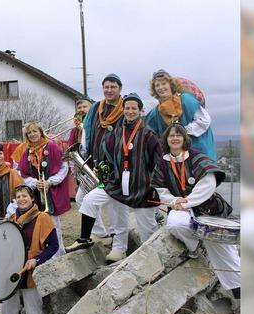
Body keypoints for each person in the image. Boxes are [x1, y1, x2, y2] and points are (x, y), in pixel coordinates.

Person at [66, 93, 161, 261]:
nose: (130, 111)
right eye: (127, 108)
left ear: (140, 110)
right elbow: (106, 156)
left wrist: (155, 184)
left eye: (134, 108)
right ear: (123, 109)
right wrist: (101, 170)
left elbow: (159, 162)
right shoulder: (116, 132)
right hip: (116, 183)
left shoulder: (149, 134)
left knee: (147, 231)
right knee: (89, 200)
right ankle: (91, 240)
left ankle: (152, 262)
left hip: (141, 187)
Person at [151, 123, 240, 297]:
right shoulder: (162, 163)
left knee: (219, 243)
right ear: (166, 140)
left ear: (185, 139)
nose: (175, 138)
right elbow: (160, 189)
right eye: (171, 136)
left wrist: (187, 202)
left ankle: (239, 285)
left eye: (178, 135)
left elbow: (208, 183)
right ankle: (194, 246)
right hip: (180, 206)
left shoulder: (196, 157)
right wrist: (175, 201)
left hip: (207, 207)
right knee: (175, 224)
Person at [0, 185, 59, 314]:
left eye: (24, 196)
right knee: (6, 305)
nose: (21, 199)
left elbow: (53, 246)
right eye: (18, 197)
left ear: (32, 198)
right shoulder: (11, 219)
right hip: (12, 271)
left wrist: (37, 259)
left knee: (33, 308)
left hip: (31, 271)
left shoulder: (42, 218)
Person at [79, 74, 126, 242]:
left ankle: (115, 235)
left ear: (120, 88)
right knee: (81, 198)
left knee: (114, 202)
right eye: (106, 87)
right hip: (94, 162)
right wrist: (85, 155)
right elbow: (87, 129)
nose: (109, 90)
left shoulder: (125, 108)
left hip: (115, 165)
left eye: (113, 87)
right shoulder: (97, 107)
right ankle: (99, 232)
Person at [16, 121, 71, 257]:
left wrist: (49, 182)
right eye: (29, 132)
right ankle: (45, 254)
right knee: (38, 226)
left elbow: (64, 167)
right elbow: (21, 173)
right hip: (36, 192)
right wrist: (35, 183)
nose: (33, 134)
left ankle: (59, 254)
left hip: (51, 191)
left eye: (35, 131)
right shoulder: (26, 151)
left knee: (53, 224)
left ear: (40, 132)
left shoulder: (51, 146)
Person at [145, 69, 217, 162]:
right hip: (176, 158)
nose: (161, 87)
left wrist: (182, 132)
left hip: (199, 154)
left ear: (171, 85)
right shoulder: (156, 113)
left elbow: (204, 121)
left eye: (164, 83)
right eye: (157, 85)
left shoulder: (186, 100)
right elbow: (152, 135)